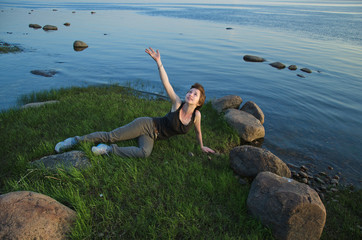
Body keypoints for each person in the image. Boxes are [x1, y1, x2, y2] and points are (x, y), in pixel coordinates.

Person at [55, 47, 215, 157]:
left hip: (153, 137)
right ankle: (74, 140)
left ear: (199, 102)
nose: (190, 94)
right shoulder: (177, 103)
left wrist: (201, 146)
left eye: (195, 94)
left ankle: (109, 150)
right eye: (190, 91)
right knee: (111, 136)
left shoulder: (196, 116)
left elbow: (198, 132)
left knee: (145, 153)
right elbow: (167, 83)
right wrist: (159, 62)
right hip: (147, 125)